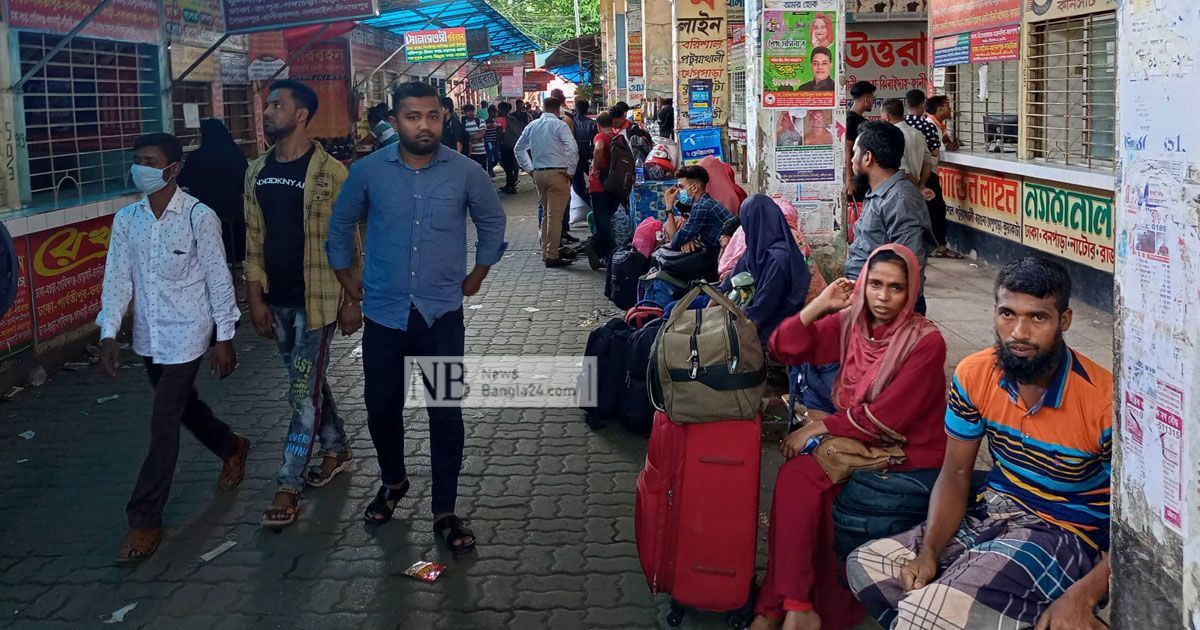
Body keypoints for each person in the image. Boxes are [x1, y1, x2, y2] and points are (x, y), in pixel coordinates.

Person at [848, 256, 1113, 630]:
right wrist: (929, 551)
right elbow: (955, 471)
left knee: (925, 612)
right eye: (1007, 314)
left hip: (1067, 535)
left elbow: (1138, 534)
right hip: (993, 513)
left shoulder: (1104, 401)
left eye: (1037, 317)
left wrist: (1083, 596)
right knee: (868, 564)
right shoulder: (974, 374)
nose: (1019, 332)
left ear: (1064, 321)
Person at [326, 81, 507, 554]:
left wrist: (479, 273)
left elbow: (492, 222)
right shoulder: (368, 173)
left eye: (431, 116)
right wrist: (347, 279)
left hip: (441, 317)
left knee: (445, 411)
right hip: (384, 315)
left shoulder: (467, 173)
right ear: (396, 121)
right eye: (412, 116)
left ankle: (445, 508)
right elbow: (341, 222)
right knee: (381, 405)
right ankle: (393, 481)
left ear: (443, 117)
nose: (423, 125)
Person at [749, 244, 948, 630]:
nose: (883, 297)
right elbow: (784, 348)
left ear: (911, 292)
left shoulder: (925, 341)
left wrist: (820, 425)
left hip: (908, 452)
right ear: (862, 285)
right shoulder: (852, 325)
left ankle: (778, 607)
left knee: (800, 481)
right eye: (875, 284)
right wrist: (820, 305)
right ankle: (794, 605)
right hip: (860, 442)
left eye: (896, 287)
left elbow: (887, 418)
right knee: (801, 489)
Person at [98, 132, 247, 562]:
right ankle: (231, 445)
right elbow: (117, 279)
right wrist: (108, 333)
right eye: (137, 159)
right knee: (184, 408)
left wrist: (225, 336)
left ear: (173, 168)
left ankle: (144, 519)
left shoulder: (199, 216)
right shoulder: (128, 220)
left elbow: (219, 279)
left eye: (150, 160)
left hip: (189, 333)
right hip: (150, 335)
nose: (140, 167)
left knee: (163, 422)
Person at [246, 79, 358, 528]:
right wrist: (254, 299)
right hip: (278, 300)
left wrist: (353, 298)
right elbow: (254, 240)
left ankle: (288, 483)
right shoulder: (255, 170)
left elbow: (347, 240)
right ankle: (337, 449)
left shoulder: (331, 172)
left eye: (277, 105)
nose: (268, 111)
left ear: (301, 115)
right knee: (307, 384)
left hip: (320, 300)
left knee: (300, 393)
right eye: (267, 105)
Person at [845, 121, 936, 315]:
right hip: (865, 301)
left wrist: (897, 317)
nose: (852, 161)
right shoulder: (878, 193)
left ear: (867, 157)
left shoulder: (901, 199)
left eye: (855, 153)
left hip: (886, 310)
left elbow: (911, 263)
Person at [720, 195, 811, 346]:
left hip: (776, 324)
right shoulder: (755, 251)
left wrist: (735, 325)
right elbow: (731, 278)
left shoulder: (779, 257)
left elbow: (764, 306)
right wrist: (714, 297)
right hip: (756, 314)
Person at [514, 96, 578, 268]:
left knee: (546, 215)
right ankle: (552, 255)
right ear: (558, 109)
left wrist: (529, 170)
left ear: (543, 107)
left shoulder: (532, 125)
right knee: (555, 217)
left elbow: (518, 149)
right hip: (558, 173)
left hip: (539, 174)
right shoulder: (560, 125)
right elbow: (572, 149)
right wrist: (571, 172)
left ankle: (546, 251)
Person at [177, 118, 249, 266]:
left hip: (203, 210)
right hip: (231, 210)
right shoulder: (236, 154)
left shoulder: (196, 157)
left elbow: (183, 180)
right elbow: (244, 184)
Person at [662, 165, 734, 280]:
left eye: (681, 187)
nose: (678, 192)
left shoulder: (702, 207)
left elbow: (675, 242)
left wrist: (669, 206)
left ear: (694, 188)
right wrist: (688, 239)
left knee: (667, 265)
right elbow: (683, 237)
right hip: (718, 253)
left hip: (722, 259)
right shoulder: (705, 202)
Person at [923, 94, 965, 259]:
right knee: (936, 210)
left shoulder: (940, 126)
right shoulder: (929, 125)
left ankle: (937, 246)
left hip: (932, 172)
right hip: (928, 174)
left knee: (936, 210)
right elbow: (932, 151)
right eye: (947, 106)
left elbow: (946, 144)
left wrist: (951, 143)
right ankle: (938, 246)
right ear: (940, 108)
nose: (950, 109)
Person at [587, 112, 620, 266]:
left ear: (598, 125)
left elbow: (599, 149)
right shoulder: (617, 137)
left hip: (599, 185)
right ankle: (595, 247)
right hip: (614, 184)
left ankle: (607, 252)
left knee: (602, 221)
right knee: (607, 218)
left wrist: (594, 167)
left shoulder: (600, 137)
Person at [881, 98, 933, 193]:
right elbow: (928, 162)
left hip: (901, 190)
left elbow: (904, 171)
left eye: (882, 114)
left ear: (887, 116)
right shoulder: (918, 134)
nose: (881, 118)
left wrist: (917, 188)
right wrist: (922, 185)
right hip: (914, 187)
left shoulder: (891, 137)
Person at [844, 81, 877, 201]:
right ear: (867, 99)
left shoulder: (861, 119)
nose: (873, 102)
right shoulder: (850, 120)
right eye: (873, 98)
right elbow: (847, 150)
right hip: (855, 178)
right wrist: (849, 179)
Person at [572, 99, 598, 200]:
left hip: (576, 155)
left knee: (578, 181)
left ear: (575, 108)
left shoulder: (571, 122)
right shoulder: (592, 123)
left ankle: (584, 199)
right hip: (590, 155)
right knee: (594, 178)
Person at [497, 102, 522, 194]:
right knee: (513, 165)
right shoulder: (513, 119)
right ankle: (511, 183)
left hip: (506, 145)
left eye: (499, 108)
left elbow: (500, 133)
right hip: (515, 144)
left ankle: (510, 184)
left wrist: (498, 141)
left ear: (502, 109)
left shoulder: (501, 119)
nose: (498, 110)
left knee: (506, 165)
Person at [461, 103, 488, 171]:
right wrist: (475, 137)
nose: (470, 113)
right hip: (469, 154)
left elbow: (482, 134)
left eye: (472, 111)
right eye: (468, 111)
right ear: (465, 113)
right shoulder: (463, 124)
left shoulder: (480, 121)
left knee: (483, 173)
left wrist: (469, 138)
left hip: (481, 153)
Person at [484, 106, 502, 176]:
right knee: (490, 157)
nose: (493, 113)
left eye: (494, 111)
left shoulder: (497, 121)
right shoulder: (485, 122)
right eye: (492, 111)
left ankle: (491, 167)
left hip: (496, 142)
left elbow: (500, 132)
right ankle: (490, 169)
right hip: (488, 142)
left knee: (496, 157)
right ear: (489, 112)